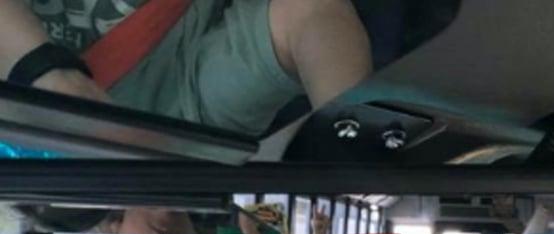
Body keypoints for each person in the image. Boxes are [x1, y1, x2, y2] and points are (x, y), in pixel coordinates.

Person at [0, 0, 372, 136]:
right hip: (44, 95)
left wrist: (354, 140)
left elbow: (310, 13)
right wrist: (48, 74)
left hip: (190, 73)